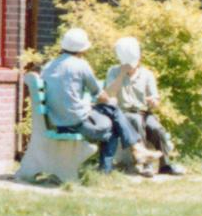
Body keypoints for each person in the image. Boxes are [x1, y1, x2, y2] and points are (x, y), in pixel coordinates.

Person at [40, 27, 139, 173]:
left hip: (56, 121)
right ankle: (108, 169)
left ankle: (136, 149)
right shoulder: (81, 65)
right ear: (82, 50)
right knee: (113, 123)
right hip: (76, 123)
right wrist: (109, 101)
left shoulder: (48, 66)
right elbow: (99, 95)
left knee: (111, 112)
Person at [104, 37, 185, 175]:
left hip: (144, 112)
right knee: (136, 120)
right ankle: (145, 164)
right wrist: (122, 74)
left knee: (156, 128)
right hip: (124, 114)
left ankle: (165, 165)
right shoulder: (113, 71)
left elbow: (155, 99)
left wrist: (154, 101)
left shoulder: (147, 74)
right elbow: (109, 93)